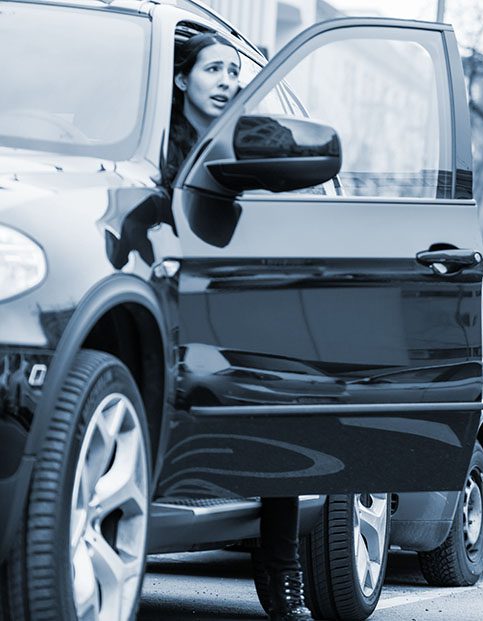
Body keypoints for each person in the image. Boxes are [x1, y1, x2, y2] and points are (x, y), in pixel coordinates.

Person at [167, 32, 313, 621]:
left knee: (280, 404)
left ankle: (281, 568)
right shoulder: (154, 147)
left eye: (235, 70)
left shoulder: (253, 143)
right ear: (182, 80)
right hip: (170, 300)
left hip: (244, 305)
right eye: (213, 69)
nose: (228, 79)